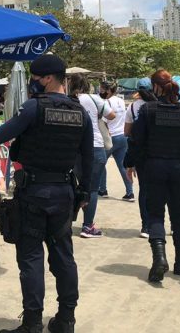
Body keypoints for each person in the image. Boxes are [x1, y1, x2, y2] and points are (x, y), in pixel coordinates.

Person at [0, 54, 93, 333]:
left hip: (34, 192)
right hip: (65, 193)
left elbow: (1, 134)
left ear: (49, 78)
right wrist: (85, 192)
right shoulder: (81, 113)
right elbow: (87, 158)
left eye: (36, 78)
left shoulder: (33, 108)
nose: (33, 83)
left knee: (31, 259)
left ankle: (31, 324)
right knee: (63, 256)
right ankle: (66, 319)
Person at [124, 69, 180, 283]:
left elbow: (136, 141)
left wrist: (129, 163)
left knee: (155, 215)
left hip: (153, 168)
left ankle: (159, 259)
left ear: (155, 87)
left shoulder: (147, 110)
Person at [67, 73, 112, 239]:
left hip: (74, 148)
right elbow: (112, 115)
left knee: (76, 184)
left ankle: (67, 221)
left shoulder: (68, 99)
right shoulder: (94, 99)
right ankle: (88, 226)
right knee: (92, 188)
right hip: (95, 146)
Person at [124, 79, 158, 238]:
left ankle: (146, 226)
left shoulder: (132, 107)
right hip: (159, 153)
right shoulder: (161, 104)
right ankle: (165, 222)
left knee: (144, 189)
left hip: (141, 154)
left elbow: (126, 132)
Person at [98, 80, 133, 201]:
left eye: (102, 89)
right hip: (122, 136)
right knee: (123, 166)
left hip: (111, 137)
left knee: (101, 163)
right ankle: (130, 192)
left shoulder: (106, 102)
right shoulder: (120, 100)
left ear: (107, 90)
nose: (100, 91)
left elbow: (104, 122)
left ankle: (102, 190)